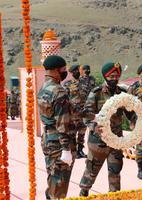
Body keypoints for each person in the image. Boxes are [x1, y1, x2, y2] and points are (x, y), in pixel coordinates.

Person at [79, 62, 131, 196]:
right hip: (98, 141)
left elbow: (130, 112)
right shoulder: (96, 93)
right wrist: (94, 127)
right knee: (91, 171)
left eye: (116, 76)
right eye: (111, 76)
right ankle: (83, 193)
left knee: (115, 171)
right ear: (105, 76)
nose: (114, 78)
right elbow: (86, 115)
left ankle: (114, 196)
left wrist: (136, 121)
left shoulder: (123, 93)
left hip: (116, 140)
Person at [37, 55, 75, 199]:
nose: (65, 72)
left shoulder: (44, 87)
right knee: (59, 186)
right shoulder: (59, 91)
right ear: (55, 70)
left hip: (48, 140)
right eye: (63, 69)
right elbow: (62, 123)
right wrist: (66, 149)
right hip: (59, 145)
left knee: (52, 180)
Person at [63, 64, 87, 159]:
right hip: (73, 114)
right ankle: (74, 151)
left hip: (83, 113)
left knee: (82, 133)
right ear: (72, 73)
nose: (78, 72)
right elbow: (65, 99)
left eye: (79, 70)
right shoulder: (68, 84)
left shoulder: (85, 82)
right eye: (76, 71)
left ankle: (80, 150)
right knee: (72, 133)